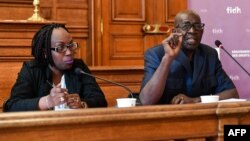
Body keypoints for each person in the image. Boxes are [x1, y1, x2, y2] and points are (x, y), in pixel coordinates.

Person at [139, 10, 239, 105]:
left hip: (203, 118)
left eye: (197, 26)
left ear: (202, 31)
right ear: (175, 32)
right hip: (166, 119)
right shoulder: (155, 54)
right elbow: (146, 100)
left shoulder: (210, 54)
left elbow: (232, 94)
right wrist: (167, 58)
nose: (192, 31)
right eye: (186, 26)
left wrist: (195, 100)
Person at [3, 23, 107, 112]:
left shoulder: (79, 68)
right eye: (61, 47)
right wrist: (47, 101)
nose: (69, 52)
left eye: (71, 45)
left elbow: (100, 100)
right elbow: (11, 106)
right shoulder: (32, 70)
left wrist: (83, 104)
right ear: (46, 53)